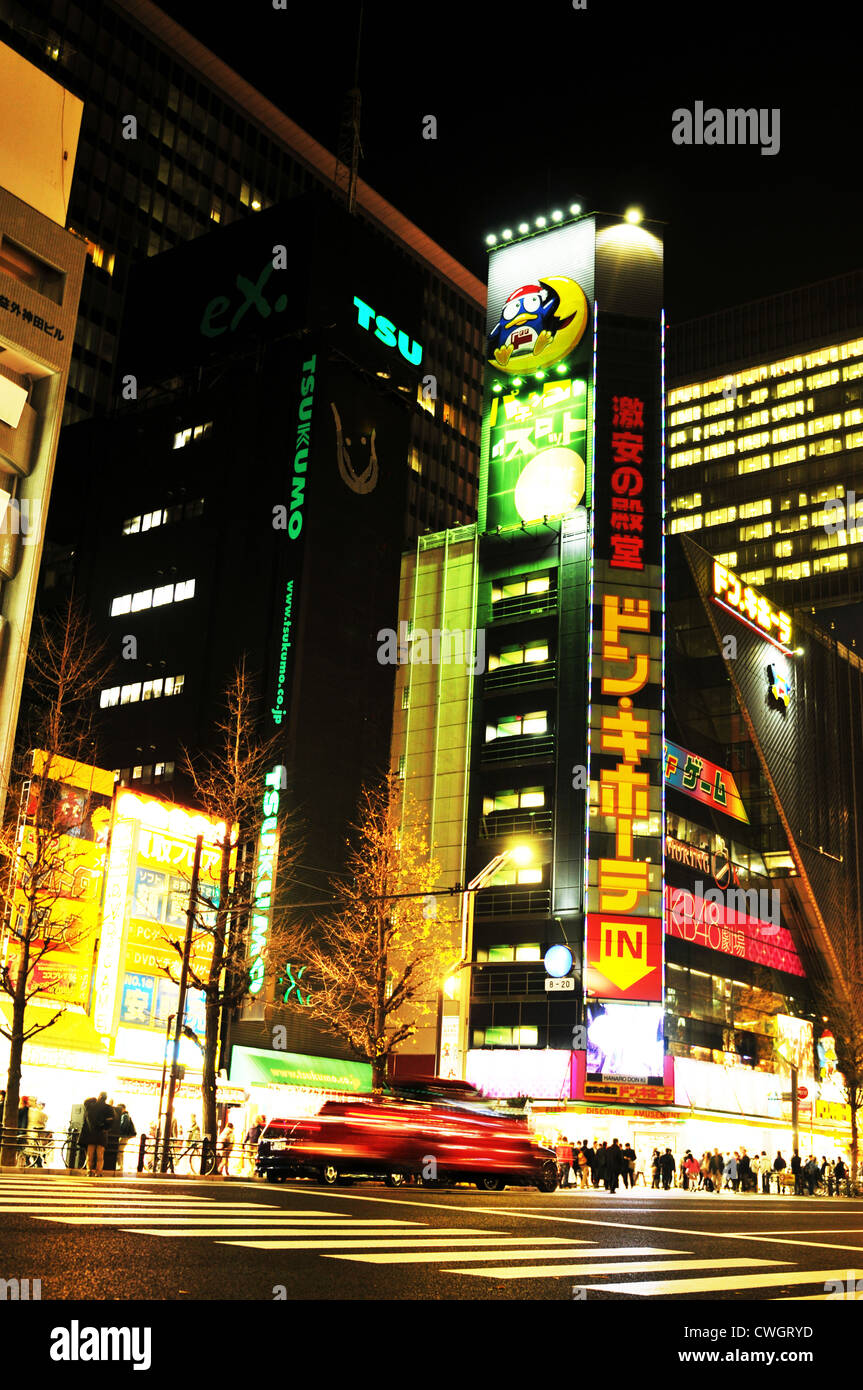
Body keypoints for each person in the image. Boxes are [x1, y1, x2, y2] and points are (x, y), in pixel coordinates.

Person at [80, 1092, 114, 1177]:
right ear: (106, 1098)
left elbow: (85, 1102)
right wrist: (104, 1128)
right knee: (100, 1155)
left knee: (90, 1154)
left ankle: (89, 1171)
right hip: (102, 1134)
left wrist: (93, 1099)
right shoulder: (109, 1108)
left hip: (91, 1134)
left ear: (99, 1097)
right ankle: (98, 1173)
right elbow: (111, 1121)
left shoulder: (91, 1107)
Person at [117, 1105, 137, 1172]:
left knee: (119, 1150)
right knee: (120, 1150)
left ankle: (120, 1166)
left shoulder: (124, 1115)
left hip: (124, 1135)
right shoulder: (126, 1115)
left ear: (122, 1109)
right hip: (125, 1135)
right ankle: (120, 1166)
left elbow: (123, 1126)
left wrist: (119, 1132)